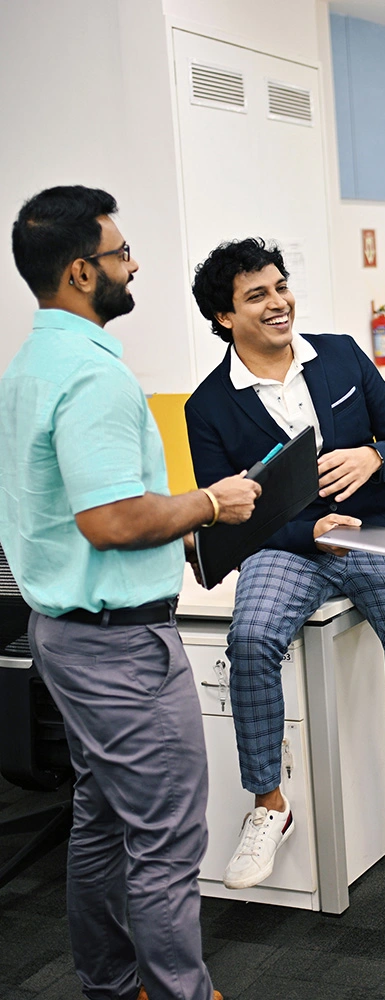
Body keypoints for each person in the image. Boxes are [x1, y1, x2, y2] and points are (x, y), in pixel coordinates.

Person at [184, 238, 385, 927]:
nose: (278, 302)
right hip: (284, 550)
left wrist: (373, 455)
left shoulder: (343, 356)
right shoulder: (208, 406)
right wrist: (309, 531)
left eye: (281, 286)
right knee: (254, 635)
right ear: (223, 317)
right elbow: (229, 517)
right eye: (256, 295)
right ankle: (269, 802)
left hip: (377, 535)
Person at [0, 186, 261, 1000]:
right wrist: (211, 502)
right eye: (119, 253)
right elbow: (111, 520)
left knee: (105, 822)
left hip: (67, 632)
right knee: (165, 839)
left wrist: (179, 517)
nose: (133, 262)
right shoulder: (93, 377)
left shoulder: (31, 365)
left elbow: (73, 506)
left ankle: (112, 985)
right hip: (119, 648)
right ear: (81, 272)